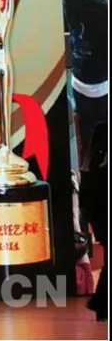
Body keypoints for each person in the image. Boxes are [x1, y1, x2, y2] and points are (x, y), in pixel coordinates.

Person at [63, 0, 108, 174]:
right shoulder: (95, 0)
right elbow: (105, 4)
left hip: (78, 76)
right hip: (98, 82)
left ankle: (86, 170)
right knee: (102, 137)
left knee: (86, 135)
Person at [80, 123, 108, 322]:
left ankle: (101, 304)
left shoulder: (91, 170)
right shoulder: (101, 172)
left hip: (99, 220)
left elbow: (85, 202)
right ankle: (100, 303)